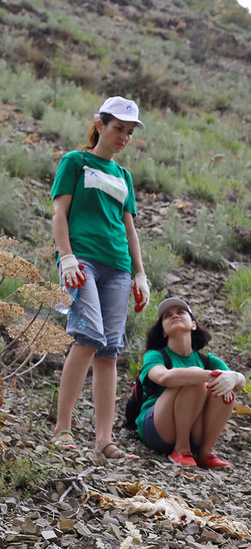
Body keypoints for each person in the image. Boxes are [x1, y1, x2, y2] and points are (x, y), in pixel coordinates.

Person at [51, 96, 150, 460]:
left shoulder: (123, 176)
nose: (123, 137)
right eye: (118, 128)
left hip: (119, 268)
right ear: (100, 125)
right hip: (83, 262)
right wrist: (66, 257)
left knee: (108, 351)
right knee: (88, 335)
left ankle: (104, 441)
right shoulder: (75, 162)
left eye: (129, 131)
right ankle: (62, 430)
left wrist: (140, 275)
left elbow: (130, 228)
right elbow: (59, 212)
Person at [135, 298, 245, 468]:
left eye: (180, 312)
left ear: (193, 325)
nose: (174, 316)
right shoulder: (155, 355)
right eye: (167, 315)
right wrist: (206, 375)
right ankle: (180, 448)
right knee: (196, 376)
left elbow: (240, 383)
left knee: (226, 388)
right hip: (158, 429)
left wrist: (235, 377)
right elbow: (164, 377)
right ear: (163, 331)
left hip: (195, 430)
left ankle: (205, 452)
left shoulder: (207, 360)